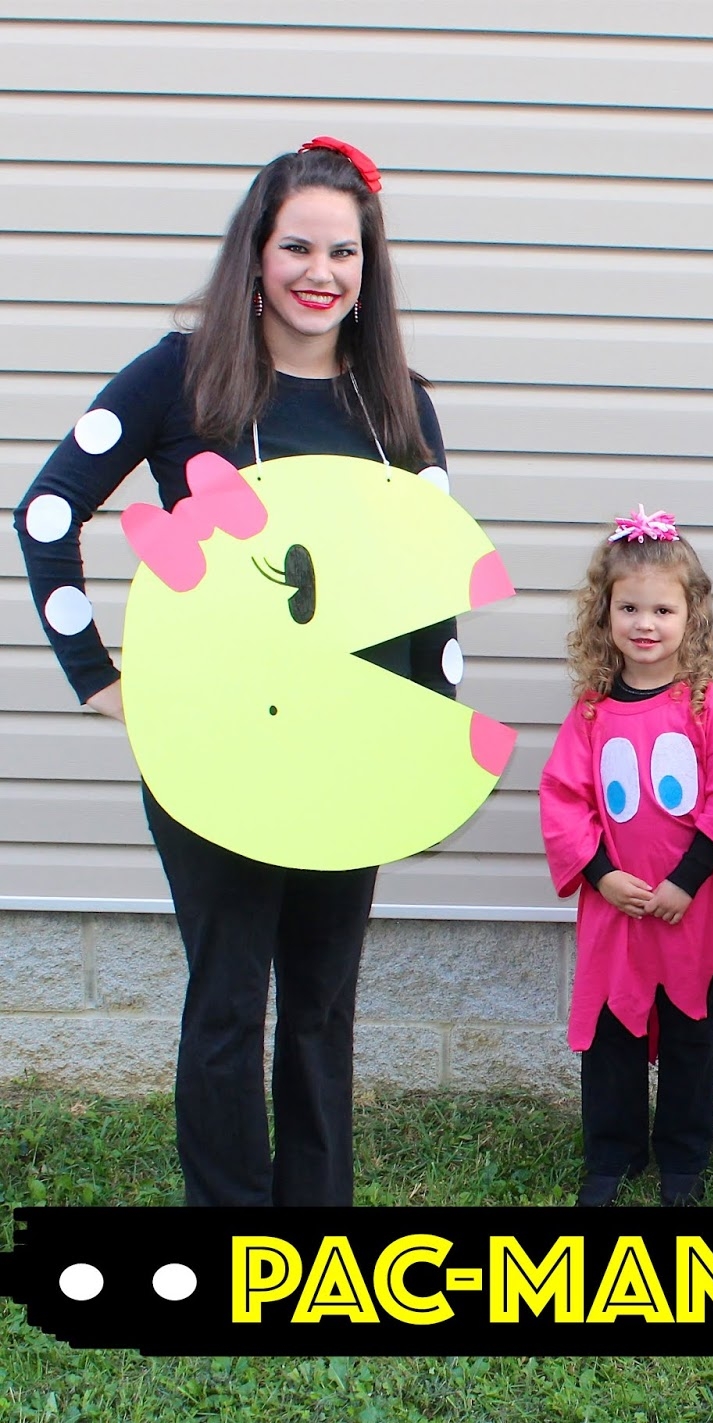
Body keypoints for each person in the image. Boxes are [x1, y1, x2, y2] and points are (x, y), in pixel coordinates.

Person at [13, 137, 455, 1206]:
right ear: (255, 251)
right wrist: (99, 678)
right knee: (227, 999)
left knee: (321, 1003)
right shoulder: (181, 372)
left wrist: (427, 740)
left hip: (351, 742)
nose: (320, 272)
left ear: (368, 265)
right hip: (215, 742)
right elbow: (47, 510)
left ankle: (317, 1230)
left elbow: (433, 584)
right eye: (297, 246)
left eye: (343, 251)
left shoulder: (396, 400)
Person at [539, 510, 713, 1207]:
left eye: (663, 609)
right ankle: (613, 1152)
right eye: (629, 607)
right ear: (603, 613)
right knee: (612, 1034)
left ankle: (684, 1157)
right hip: (617, 911)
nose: (645, 623)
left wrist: (685, 881)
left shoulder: (707, 706)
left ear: (690, 616)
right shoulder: (591, 711)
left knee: (692, 1033)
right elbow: (563, 799)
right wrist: (602, 875)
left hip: (688, 909)